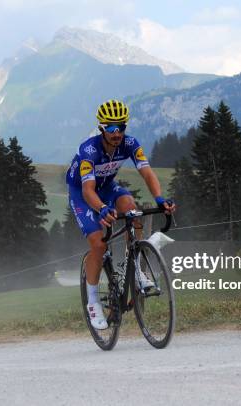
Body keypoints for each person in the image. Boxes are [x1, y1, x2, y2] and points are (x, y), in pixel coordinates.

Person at [66, 99, 176, 330]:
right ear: (102, 128)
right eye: (112, 128)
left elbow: (147, 173)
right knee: (98, 244)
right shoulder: (89, 150)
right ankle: (93, 301)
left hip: (107, 186)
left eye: (121, 127)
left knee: (131, 208)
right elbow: (87, 190)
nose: (117, 133)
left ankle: (135, 268)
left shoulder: (130, 143)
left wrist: (159, 199)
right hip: (83, 192)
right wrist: (102, 209)